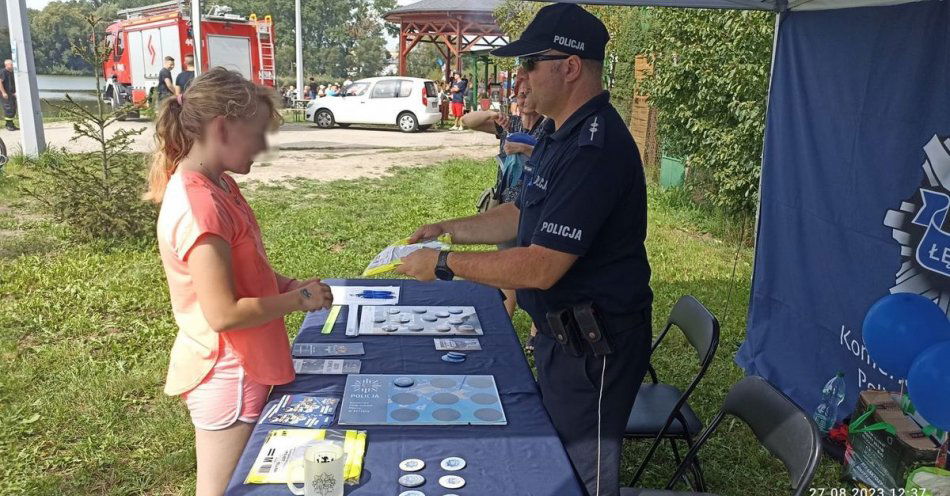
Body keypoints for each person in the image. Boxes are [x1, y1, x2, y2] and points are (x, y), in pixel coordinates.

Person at [396, 4, 652, 495]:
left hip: (595, 349)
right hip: (565, 338)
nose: (521, 76)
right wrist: (448, 228)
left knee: (578, 479)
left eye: (531, 63)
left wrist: (445, 264)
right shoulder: (559, 133)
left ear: (570, 66)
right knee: (552, 465)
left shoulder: (593, 151)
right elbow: (519, 214)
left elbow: (541, 265)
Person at [144, 67, 334, 496]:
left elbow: (249, 272)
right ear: (223, 129)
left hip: (246, 364)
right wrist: (299, 300)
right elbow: (224, 313)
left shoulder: (221, 185)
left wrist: (286, 284)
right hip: (228, 373)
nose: (263, 147)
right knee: (224, 489)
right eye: (258, 134)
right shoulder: (200, 205)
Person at [1, 59, 18, 131]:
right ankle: (8, 125)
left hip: (12, 94)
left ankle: (11, 124)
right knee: (8, 108)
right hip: (5, 94)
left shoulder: (12, 73)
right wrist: (3, 92)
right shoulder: (3, 72)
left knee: (13, 108)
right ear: (6, 65)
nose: (12, 65)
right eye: (11, 64)